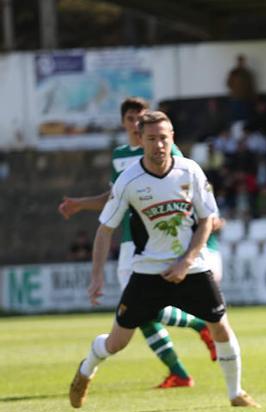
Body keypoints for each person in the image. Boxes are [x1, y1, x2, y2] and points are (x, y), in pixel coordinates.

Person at [68, 111, 259, 409]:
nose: (159, 145)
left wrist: (187, 260)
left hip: (191, 266)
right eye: (152, 139)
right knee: (117, 343)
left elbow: (208, 219)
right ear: (140, 140)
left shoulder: (190, 170)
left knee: (220, 326)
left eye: (164, 138)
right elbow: (105, 230)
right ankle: (86, 369)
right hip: (147, 272)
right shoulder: (129, 180)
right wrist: (96, 277)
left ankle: (236, 393)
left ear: (172, 139)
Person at [58, 97, 222, 389]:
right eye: (131, 118)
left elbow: (186, 187)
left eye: (141, 118)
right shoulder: (121, 156)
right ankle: (181, 369)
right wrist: (81, 204)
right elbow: (113, 199)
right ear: (124, 123)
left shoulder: (166, 149)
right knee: (139, 312)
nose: (136, 123)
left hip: (160, 244)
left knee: (138, 311)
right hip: (130, 243)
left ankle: (196, 334)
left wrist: (208, 217)